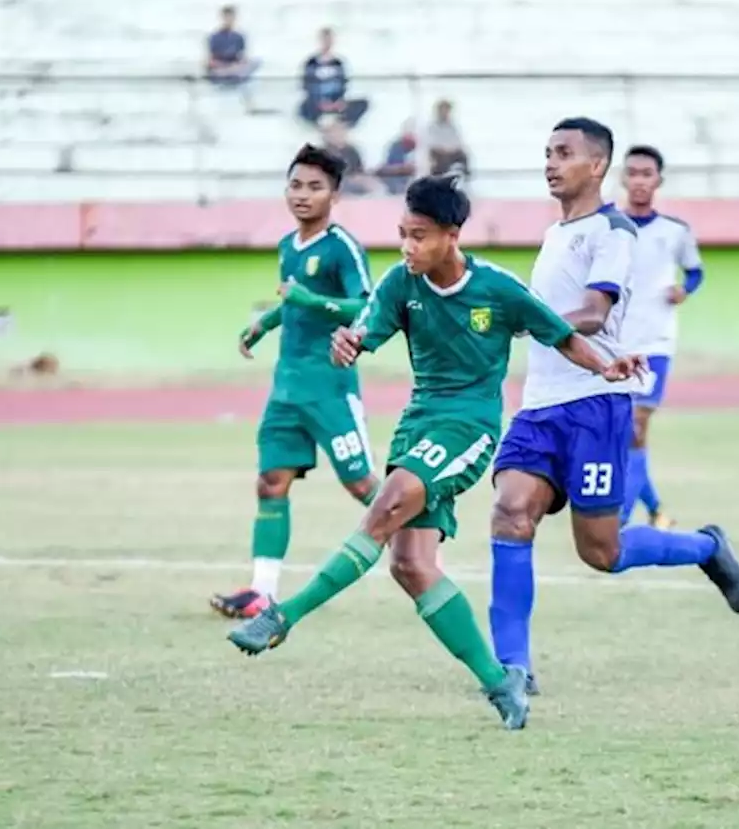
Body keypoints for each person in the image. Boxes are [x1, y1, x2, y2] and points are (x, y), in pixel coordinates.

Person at [226, 175, 644, 731]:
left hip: (468, 427)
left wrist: (606, 365)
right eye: (402, 234)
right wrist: (347, 343)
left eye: (418, 236)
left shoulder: (497, 288)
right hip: (416, 425)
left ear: (451, 235)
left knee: (386, 505)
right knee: (411, 565)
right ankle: (500, 684)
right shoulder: (401, 282)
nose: (406, 247)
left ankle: (282, 617)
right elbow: (363, 331)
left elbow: (560, 335)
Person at [487, 119, 739, 697]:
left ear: (597, 165)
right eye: (547, 152)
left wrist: (515, 320)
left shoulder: (614, 230)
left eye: (564, 153)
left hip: (595, 405)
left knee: (602, 552)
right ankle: (511, 668)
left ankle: (706, 546)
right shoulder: (555, 234)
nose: (550, 163)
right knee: (510, 513)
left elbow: (593, 312)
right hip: (540, 408)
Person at [210, 144, 378, 620]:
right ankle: (262, 591)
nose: (303, 195)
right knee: (270, 482)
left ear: (335, 195)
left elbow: (364, 307)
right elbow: (294, 300)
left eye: (315, 187)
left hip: (330, 387)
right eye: (296, 185)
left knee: (364, 486)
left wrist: (308, 300)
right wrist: (266, 322)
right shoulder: (288, 246)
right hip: (287, 389)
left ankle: (425, 548)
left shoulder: (342, 247)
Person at [618, 144, 704, 528]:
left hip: (655, 343)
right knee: (621, 433)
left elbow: (695, 272)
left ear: (658, 180)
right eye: (632, 172)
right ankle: (655, 510)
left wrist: (684, 290)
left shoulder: (676, 231)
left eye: (646, 173)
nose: (639, 180)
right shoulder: (608, 228)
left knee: (636, 426)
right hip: (613, 344)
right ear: (623, 178)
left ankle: (619, 518)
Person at [298, 27, 369, 128]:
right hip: (317, 103)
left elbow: (343, 84)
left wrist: (337, 102)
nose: (327, 43)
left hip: (335, 103)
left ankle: (343, 124)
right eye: (325, 40)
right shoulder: (311, 62)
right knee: (305, 107)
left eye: (330, 40)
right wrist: (321, 102)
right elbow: (307, 85)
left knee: (362, 103)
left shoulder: (338, 63)